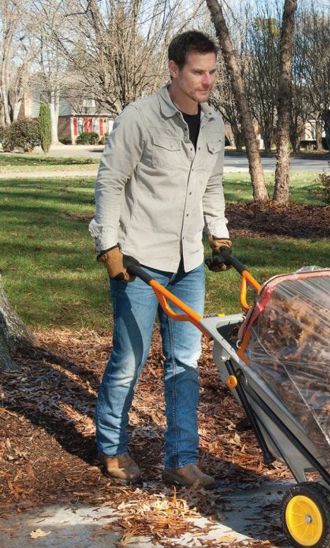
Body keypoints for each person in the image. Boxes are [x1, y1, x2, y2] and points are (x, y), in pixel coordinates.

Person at [88, 30, 231, 488]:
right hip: (139, 261)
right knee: (129, 359)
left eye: (212, 72)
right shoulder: (140, 118)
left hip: (188, 263)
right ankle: (112, 447)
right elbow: (110, 181)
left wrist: (219, 236)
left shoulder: (212, 123)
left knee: (184, 363)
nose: (207, 81)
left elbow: (211, 185)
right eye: (198, 72)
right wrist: (109, 246)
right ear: (174, 69)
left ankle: (181, 459)